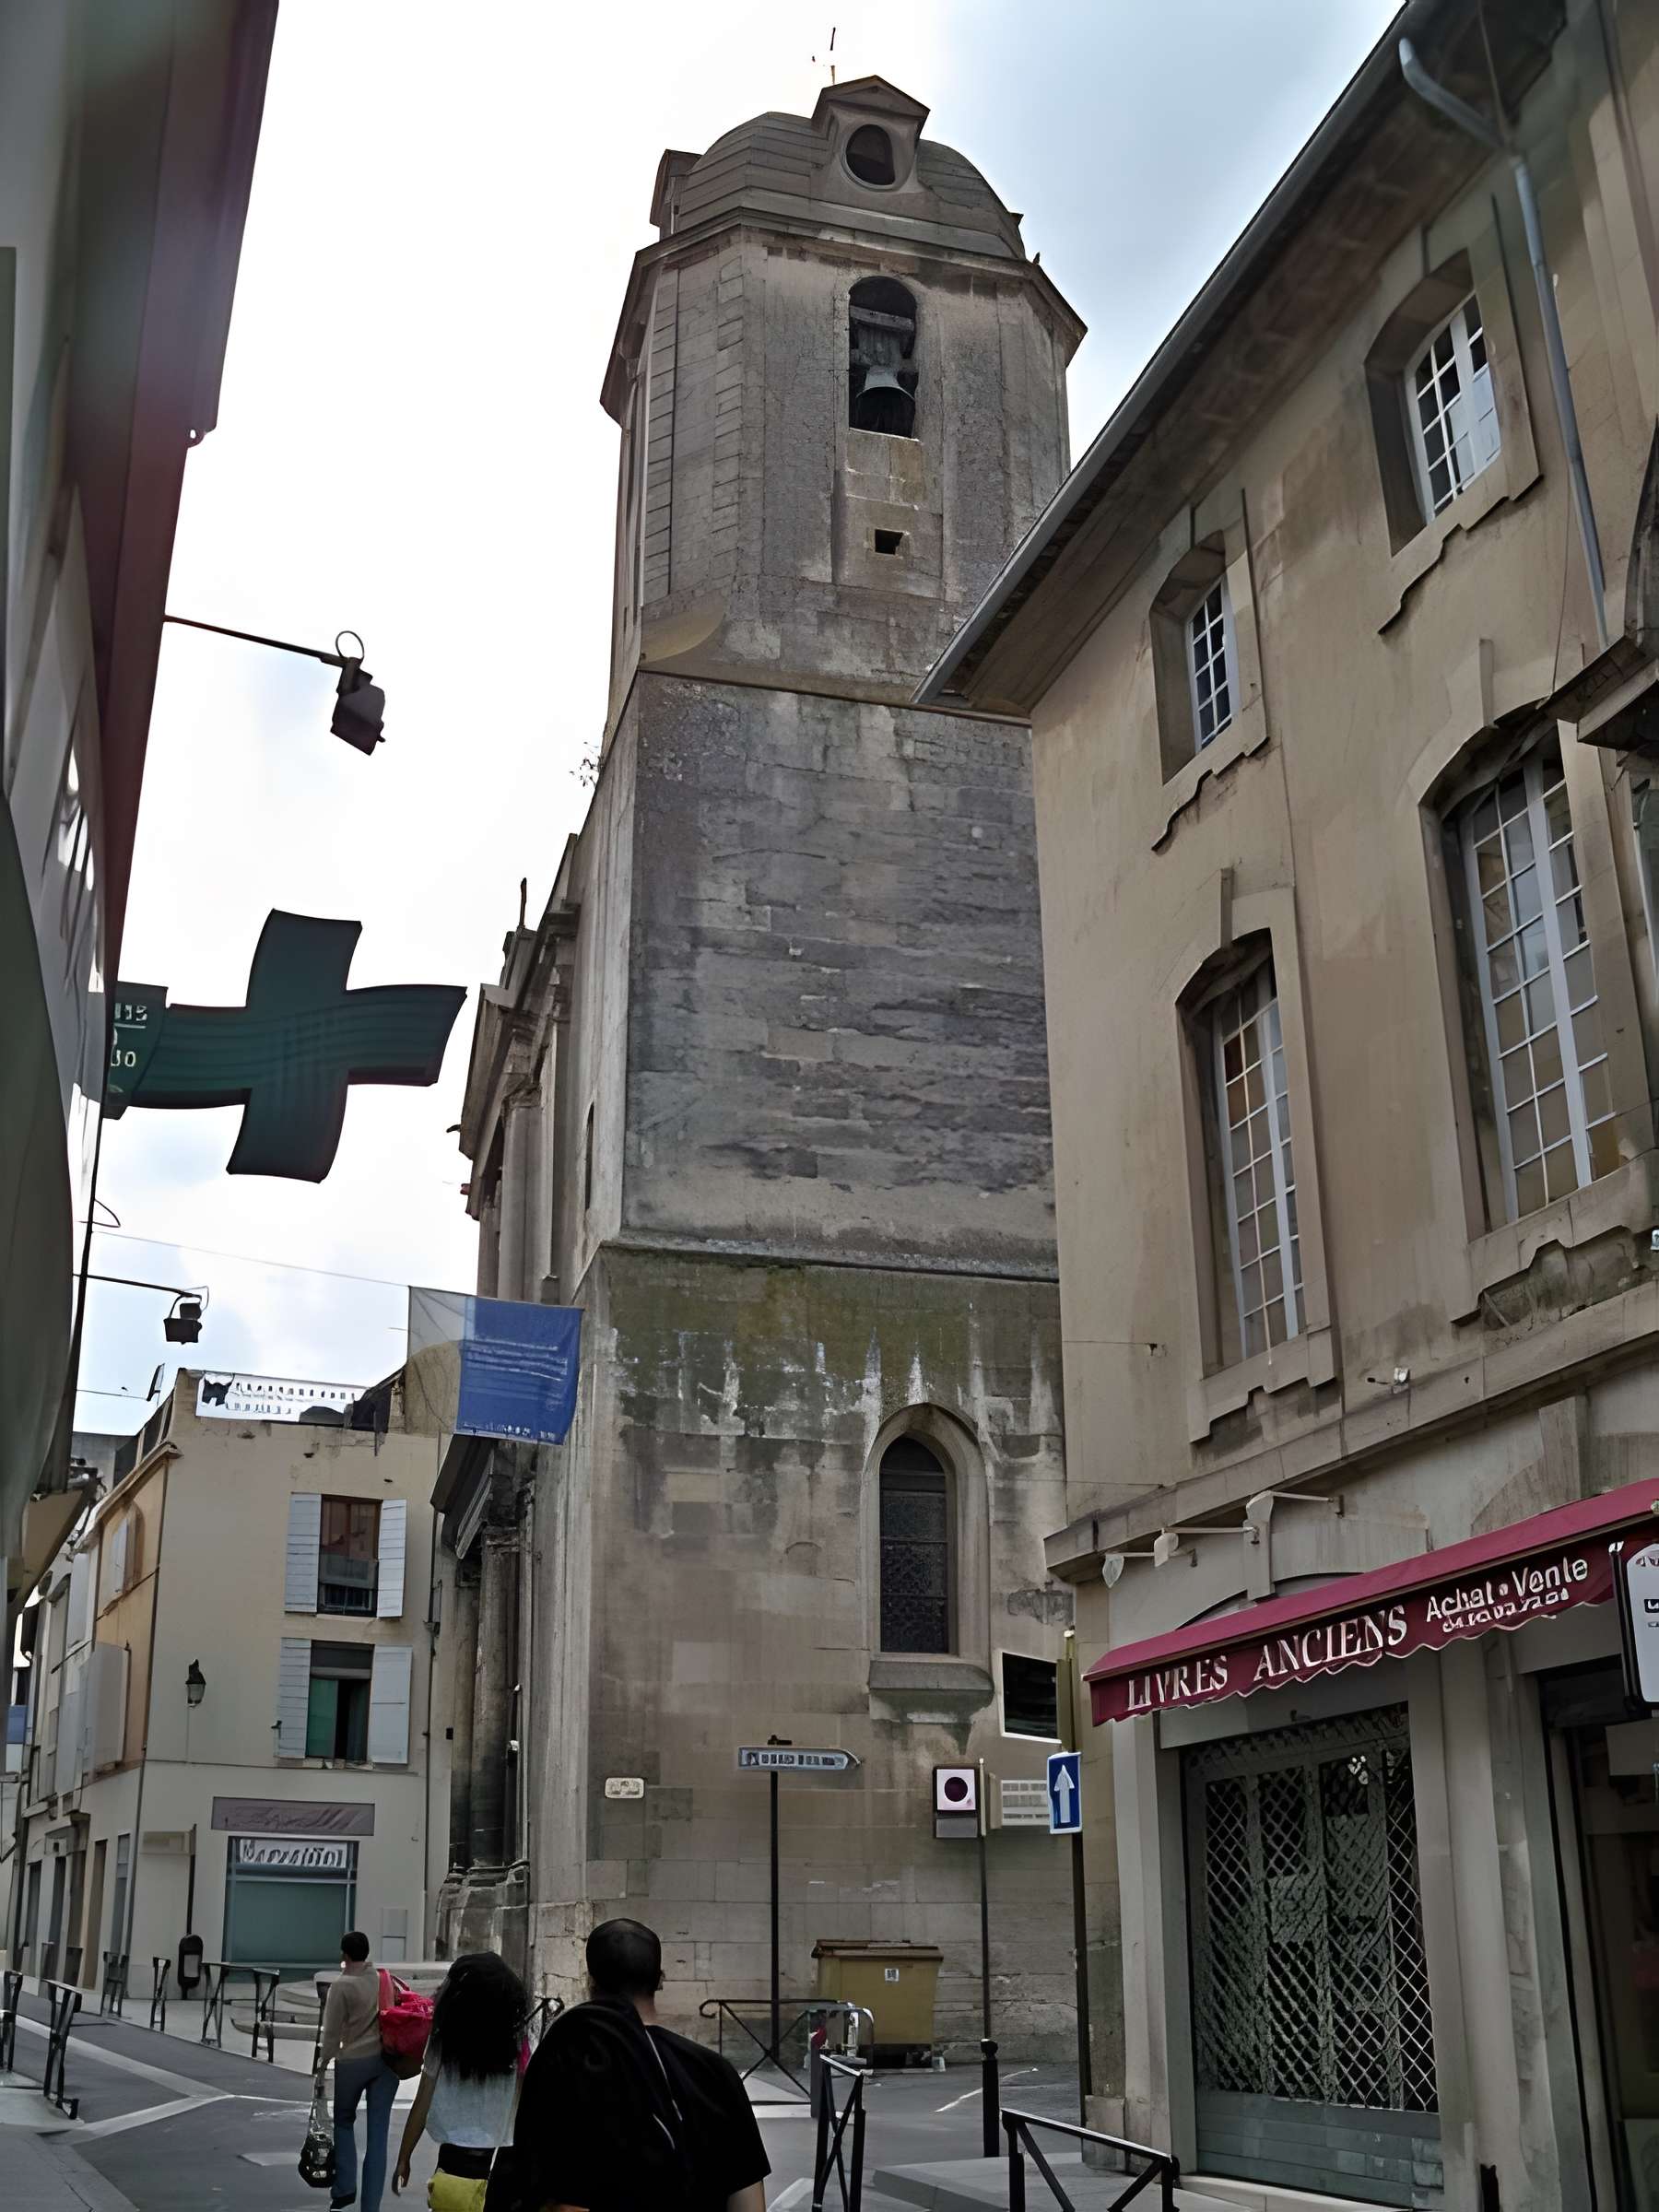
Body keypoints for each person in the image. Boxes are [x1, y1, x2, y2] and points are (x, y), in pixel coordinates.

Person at [512, 1918, 770, 2212]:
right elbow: (748, 2202)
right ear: (659, 1979)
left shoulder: (564, 2066)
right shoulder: (715, 2073)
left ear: (590, 1981)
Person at [392, 1951, 529, 2203]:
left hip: (452, 2163)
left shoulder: (443, 2041)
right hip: (499, 2160)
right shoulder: (516, 2043)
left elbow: (422, 2101)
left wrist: (404, 2155)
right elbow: (524, 2103)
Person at [317, 1930, 398, 2212]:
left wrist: (323, 2064)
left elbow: (332, 2034)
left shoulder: (342, 1986)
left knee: (343, 2120)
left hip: (353, 2060)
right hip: (386, 2061)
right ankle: (370, 2207)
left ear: (344, 1955)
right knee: (378, 2137)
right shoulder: (379, 1978)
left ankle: (345, 2187)